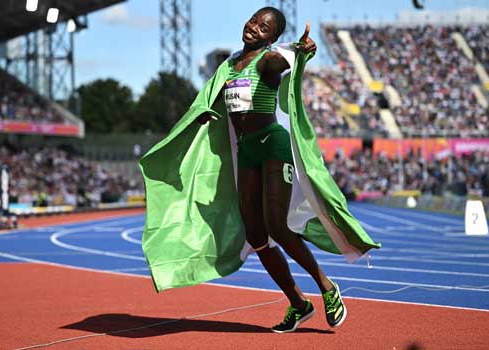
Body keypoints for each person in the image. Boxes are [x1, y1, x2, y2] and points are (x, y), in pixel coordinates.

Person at [139, 6, 380, 334]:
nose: (254, 27)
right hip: (247, 151)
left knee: (278, 228)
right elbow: (207, 101)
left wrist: (299, 49)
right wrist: (201, 114)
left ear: (273, 38)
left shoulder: (267, 60)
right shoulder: (227, 66)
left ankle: (326, 287)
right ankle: (298, 303)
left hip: (272, 146)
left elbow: (280, 62)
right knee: (255, 235)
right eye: (254, 20)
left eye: (264, 27)